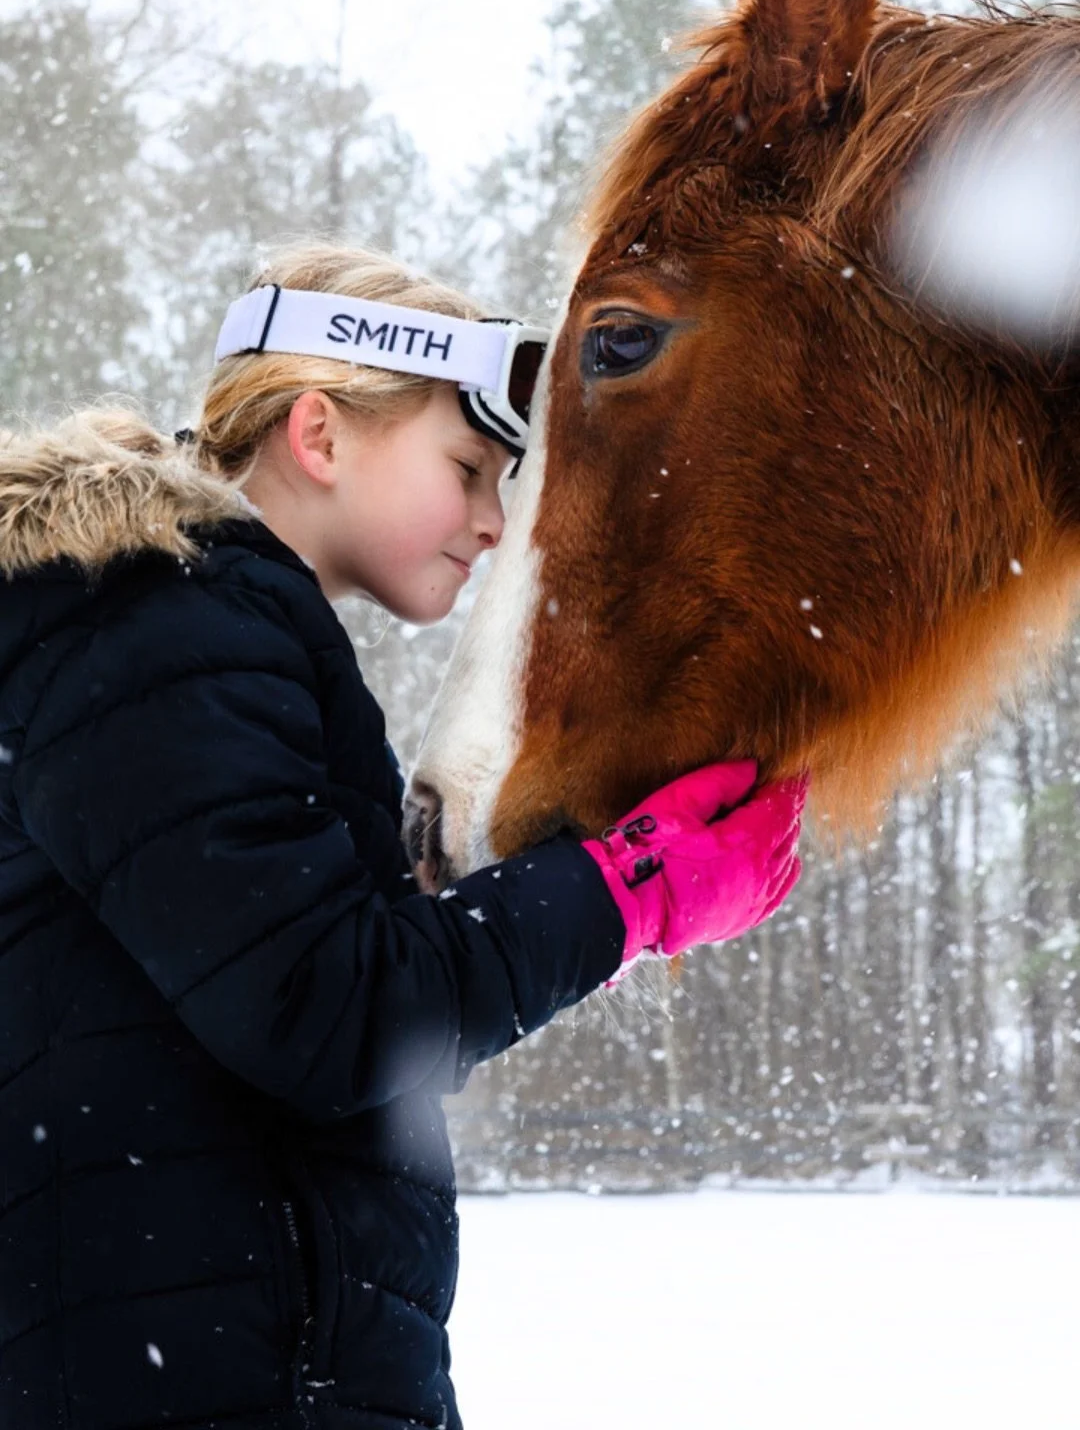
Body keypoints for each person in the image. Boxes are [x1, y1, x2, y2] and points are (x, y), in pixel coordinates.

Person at [0, 243, 805, 1430]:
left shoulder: (202, 645)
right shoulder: (152, 630)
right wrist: (630, 890)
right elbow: (338, 1014)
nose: (493, 523)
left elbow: (313, 1004)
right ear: (318, 436)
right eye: (470, 466)